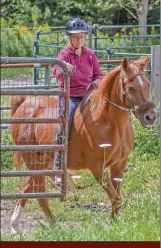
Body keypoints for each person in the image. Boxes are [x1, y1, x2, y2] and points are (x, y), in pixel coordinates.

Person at [53, 17, 104, 184]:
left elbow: (98, 74)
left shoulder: (90, 54)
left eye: (82, 37)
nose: (79, 40)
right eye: (75, 37)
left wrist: (97, 81)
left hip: (89, 95)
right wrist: (63, 68)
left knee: (107, 116)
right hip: (70, 95)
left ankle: (114, 155)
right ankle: (58, 167)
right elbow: (56, 71)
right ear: (69, 38)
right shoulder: (64, 54)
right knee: (64, 124)